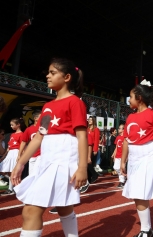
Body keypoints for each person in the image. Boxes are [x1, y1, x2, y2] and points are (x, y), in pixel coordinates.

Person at [11, 58, 88, 236]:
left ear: (67, 77)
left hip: (63, 160)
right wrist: (20, 163)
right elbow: (38, 138)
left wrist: (82, 167)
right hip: (46, 161)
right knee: (63, 207)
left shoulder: (75, 102)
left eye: (52, 73)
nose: (47, 76)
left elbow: (81, 136)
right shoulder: (47, 106)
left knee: (30, 210)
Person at [120, 79, 153, 237]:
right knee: (136, 193)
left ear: (139, 98)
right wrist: (123, 161)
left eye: (130, 96)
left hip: (149, 155)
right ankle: (146, 229)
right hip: (134, 157)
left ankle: (146, 230)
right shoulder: (130, 118)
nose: (129, 100)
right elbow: (126, 141)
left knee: (140, 193)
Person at [0, 118, 26, 195]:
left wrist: (21, 155)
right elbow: (9, 147)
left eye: (12, 125)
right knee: (4, 169)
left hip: (16, 152)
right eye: (11, 125)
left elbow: (22, 145)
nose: (11, 126)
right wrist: (4, 156)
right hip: (10, 153)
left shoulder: (22, 134)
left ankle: (11, 188)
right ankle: (13, 186)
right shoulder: (12, 134)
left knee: (13, 171)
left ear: (18, 125)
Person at [17, 111, 42, 176]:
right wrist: (19, 154)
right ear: (35, 118)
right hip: (32, 156)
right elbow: (23, 142)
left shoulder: (46, 128)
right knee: (31, 175)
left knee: (40, 175)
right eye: (41, 116)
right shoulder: (29, 129)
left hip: (43, 156)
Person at [111, 124, 125, 188]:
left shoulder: (125, 137)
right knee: (116, 167)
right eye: (119, 128)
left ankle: (122, 181)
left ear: (123, 129)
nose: (118, 129)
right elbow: (116, 147)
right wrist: (114, 154)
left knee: (121, 168)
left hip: (122, 156)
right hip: (117, 155)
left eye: (120, 128)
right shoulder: (118, 137)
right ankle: (124, 177)